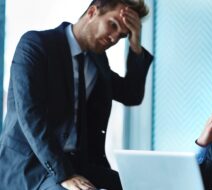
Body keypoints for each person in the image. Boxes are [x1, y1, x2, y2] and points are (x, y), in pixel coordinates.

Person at [0, 0, 153, 189]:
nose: (114, 38)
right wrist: (64, 174)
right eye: (112, 25)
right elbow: (31, 117)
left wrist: (135, 43)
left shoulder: (97, 61)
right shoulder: (36, 45)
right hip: (32, 165)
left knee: (137, 185)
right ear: (91, 12)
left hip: (78, 163)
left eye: (122, 35)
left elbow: (131, 95)